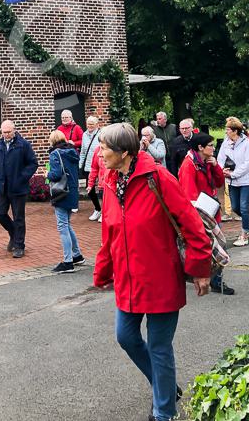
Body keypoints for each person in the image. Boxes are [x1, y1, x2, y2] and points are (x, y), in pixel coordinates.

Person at [94, 123, 211, 421]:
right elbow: (109, 233)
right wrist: (103, 271)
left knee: (159, 347)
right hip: (128, 278)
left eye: (104, 147)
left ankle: (164, 412)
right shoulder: (110, 181)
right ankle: (166, 386)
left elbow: (192, 225)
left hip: (160, 277)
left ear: (124, 152)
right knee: (126, 336)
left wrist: (200, 269)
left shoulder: (158, 177)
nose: (100, 153)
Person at [178, 132, 234, 295]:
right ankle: (211, 279)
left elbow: (218, 182)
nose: (213, 148)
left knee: (217, 246)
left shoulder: (206, 161)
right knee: (214, 246)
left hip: (211, 211)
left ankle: (213, 279)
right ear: (200, 147)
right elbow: (189, 195)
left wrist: (215, 165)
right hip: (202, 215)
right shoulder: (189, 165)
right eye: (210, 145)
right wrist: (199, 218)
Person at [0, 120, 38, 258]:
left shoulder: (23, 145)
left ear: (14, 130)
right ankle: (13, 233)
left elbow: (33, 163)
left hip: (18, 188)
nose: (6, 135)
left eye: (9, 132)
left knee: (19, 217)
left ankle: (19, 245)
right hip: (1, 187)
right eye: (4, 132)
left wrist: (22, 178)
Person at [47, 130, 85, 273]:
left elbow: (56, 174)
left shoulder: (55, 154)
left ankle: (68, 261)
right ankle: (77, 255)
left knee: (62, 226)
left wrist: (47, 174)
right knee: (67, 224)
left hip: (61, 192)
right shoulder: (72, 152)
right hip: (72, 190)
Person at [217, 117, 249, 247]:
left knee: (244, 207)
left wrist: (233, 174)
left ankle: (244, 235)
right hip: (232, 180)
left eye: (228, 129)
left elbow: (248, 164)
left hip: (246, 180)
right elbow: (220, 158)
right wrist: (222, 170)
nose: (226, 132)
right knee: (235, 207)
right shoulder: (226, 143)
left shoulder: (247, 143)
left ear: (235, 131)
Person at [79, 116, 101, 220]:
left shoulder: (101, 134)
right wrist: (80, 165)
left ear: (97, 124)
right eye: (88, 123)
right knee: (90, 189)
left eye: (92, 123)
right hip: (89, 166)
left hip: (101, 166)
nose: (90, 126)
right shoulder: (84, 135)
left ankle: (105, 211)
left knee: (103, 189)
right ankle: (98, 209)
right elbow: (83, 151)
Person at [87, 146, 106, 223]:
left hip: (112, 182)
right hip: (102, 182)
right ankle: (101, 212)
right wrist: (90, 184)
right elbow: (94, 168)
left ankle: (104, 213)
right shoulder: (98, 150)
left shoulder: (115, 147)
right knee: (103, 198)